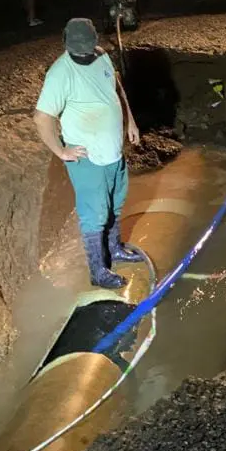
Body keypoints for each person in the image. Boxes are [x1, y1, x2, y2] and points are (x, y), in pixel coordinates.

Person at [33, 18, 143, 289]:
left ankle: (114, 249)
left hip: (114, 151)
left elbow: (116, 89)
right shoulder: (60, 73)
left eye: (88, 48)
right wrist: (61, 151)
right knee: (94, 214)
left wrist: (130, 121)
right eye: (78, 50)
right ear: (66, 44)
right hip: (87, 158)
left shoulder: (102, 55)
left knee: (115, 204)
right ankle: (98, 270)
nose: (84, 54)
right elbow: (41, 117)